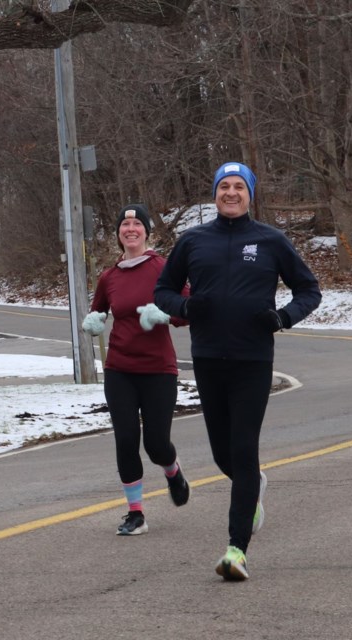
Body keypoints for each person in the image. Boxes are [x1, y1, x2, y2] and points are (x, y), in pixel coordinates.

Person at [154, 161, 321, 581]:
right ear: (215, 194)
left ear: (251, 194)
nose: (231, 193)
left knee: (244, 451)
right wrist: (187, 308)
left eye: (238, 187)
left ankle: (236, 549)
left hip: (252, 361)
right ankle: (253, 490)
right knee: (222, 455)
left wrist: (283, 318)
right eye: (224, 187)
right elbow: (163, 291)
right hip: (209, 359)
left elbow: (309, 290)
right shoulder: (193, 241)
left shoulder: (271, 240)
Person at [82, 204, 191, 536]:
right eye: (125, 224)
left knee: (157, 444)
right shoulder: (109, 276)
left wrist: (165, 315)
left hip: (158, 370)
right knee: (126, 439)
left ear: (146, 231)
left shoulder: (164, 268)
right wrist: (94, 322)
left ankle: (172, 470)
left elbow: (188, 310)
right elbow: (98, 310)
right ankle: (136, 513)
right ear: (118, 233)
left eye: (136, 223)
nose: (130, 228)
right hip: (120, 369)